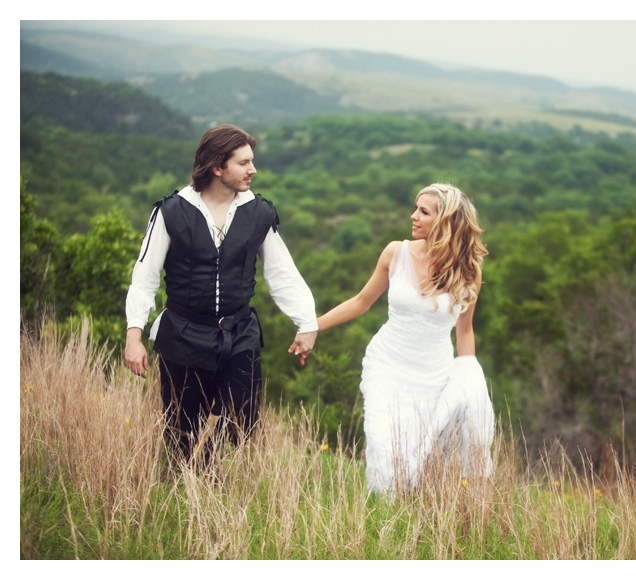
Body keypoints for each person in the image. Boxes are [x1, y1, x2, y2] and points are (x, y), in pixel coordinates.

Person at [124, 124, 317, 466]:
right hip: (184, 333)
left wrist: (306, 322)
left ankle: (207, 469)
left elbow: (281, 272)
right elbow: (145, 277)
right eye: (244, 163)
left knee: (244, 418)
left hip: (240, 332)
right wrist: (134, 335)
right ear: (217, 167)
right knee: (181, 430)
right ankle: (193, 482)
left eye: (252, 161)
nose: (253, 170)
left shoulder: (257, 213)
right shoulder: (171, 212)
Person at [317, 183, 495, 494]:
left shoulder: (469, 272)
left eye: (423, 212)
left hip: (434, 376)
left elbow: (465, 331)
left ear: (445, 222)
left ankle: (415, 524)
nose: (413, 216)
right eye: (415, 208)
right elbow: (361, 302)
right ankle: (381, 524)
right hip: (387, 366)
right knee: (386, 452)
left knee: (422, 460)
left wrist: (470, 385)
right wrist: (312, 327)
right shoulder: (395, 252)